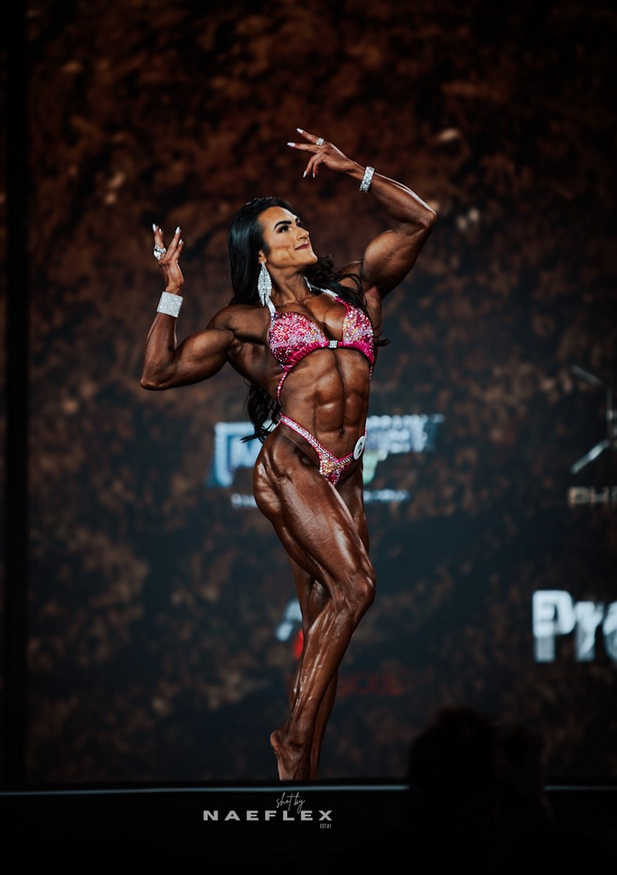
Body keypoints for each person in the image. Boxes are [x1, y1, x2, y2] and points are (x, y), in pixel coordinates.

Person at [141, 128, 436, 780]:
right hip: (290, 464)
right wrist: (172, 288)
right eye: (283, 228)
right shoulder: (246, 323)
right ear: (260, 252)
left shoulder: (355, 288)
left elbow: (421, 218)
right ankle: (293, 740)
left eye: (299, 221)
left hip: (346, 474)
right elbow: (157, 373)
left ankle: (297, 791)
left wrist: (353, 169)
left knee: (327, 625)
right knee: (357, 586)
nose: (301, 231)